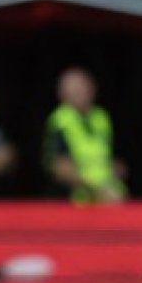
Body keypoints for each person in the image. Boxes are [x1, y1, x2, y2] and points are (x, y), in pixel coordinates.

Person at [44, 68, 127, 204]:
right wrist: (96, 188)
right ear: (62, 93)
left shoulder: (101, 117)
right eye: (75, 89)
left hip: (109, 195)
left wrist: (114, 170)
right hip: (76, 200)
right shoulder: (60, 121)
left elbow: (107, 159)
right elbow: (60, 167)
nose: (81, 92)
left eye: (84, 87)